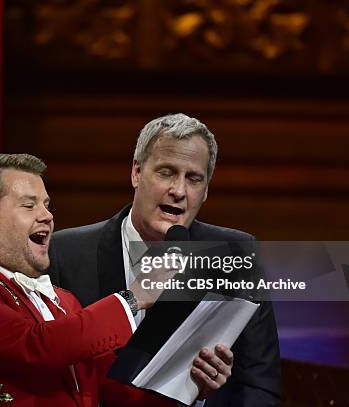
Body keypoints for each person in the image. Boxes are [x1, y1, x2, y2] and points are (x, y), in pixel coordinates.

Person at [0, 153, 229, 407]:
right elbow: (37, 345)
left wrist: (190, 384)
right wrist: (134, 297)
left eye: (46, 204)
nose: (47, 216)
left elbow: (121, 392)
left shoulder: (65, 302)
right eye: (29, 205)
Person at [48, 114, 281, 406]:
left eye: (193, 178)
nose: (179, 191)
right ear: (136, 172)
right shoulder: (64, 253)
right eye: (166, 172)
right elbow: (48, 366)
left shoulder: (235, 255)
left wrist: (206, 394)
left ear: (206, 189)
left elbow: (260, 386)